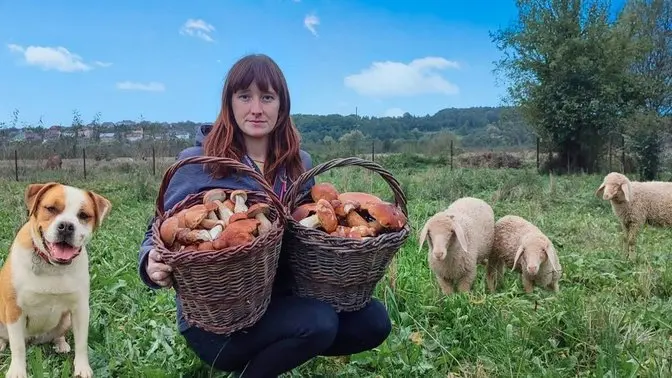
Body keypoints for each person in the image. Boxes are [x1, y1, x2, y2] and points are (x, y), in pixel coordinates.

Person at [137, 54, 392, 377]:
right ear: (229, 103)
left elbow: (309, 228)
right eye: (245, 97)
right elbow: (157, 230)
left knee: (374, 322)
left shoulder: (299, 163)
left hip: (279, 296)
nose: (256, 108)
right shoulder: (199, 162)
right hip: (218, 318)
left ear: (281, 106)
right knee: (319, 323)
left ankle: (280, 346)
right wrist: (150, 262)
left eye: (267, 97)